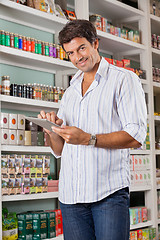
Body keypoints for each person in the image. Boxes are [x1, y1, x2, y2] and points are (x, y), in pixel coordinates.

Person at [38, 20, 147, 240]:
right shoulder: (70, 91)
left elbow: (135, 136)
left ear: (95, 43)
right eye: (70, 53)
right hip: (71, 197)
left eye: (81, 48)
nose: (77, 57)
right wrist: (52, 131)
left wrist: (88, 138)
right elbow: (60, 150)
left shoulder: (124, 80)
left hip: (108, 194)